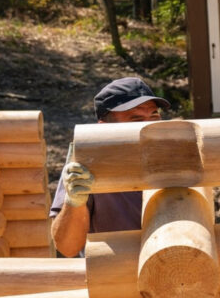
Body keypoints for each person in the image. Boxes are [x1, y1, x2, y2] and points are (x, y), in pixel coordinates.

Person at [50, 77, 170, 257]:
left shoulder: (174, 152)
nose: (149, 126)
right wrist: (74, 201)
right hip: (111, 275)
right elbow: (67, 247)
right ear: (104, 128)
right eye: (136, 119)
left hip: (175, 270)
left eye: (154, 116)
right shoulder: (86, 160)